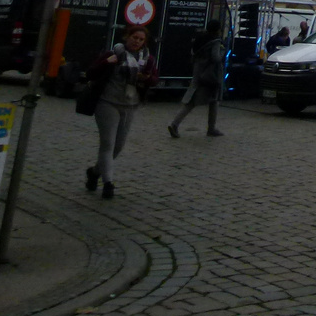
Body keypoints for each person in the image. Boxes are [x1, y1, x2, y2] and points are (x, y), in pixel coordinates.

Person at [85, 24, 159, 199]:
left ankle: (95, 172)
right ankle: (108, 184)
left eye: (141, 40)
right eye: (134, 38)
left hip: (130, 106)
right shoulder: (113, 54)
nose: (137, 42)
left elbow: (155, 79)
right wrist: (106, 63)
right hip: (107, 103)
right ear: (127, 36)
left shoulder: (147, 59)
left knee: (118, 147)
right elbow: (90, 73)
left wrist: (146, 78)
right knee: (107, 144)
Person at [168, 22, 226, 138]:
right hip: (210, 76)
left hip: (198, 72)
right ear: (218, 30)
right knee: (207, 101)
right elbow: (215, 58)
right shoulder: (216, 42)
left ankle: (211, 128)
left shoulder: (199, 40)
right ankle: (175, 124)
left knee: (198, 100)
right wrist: (222, 53)